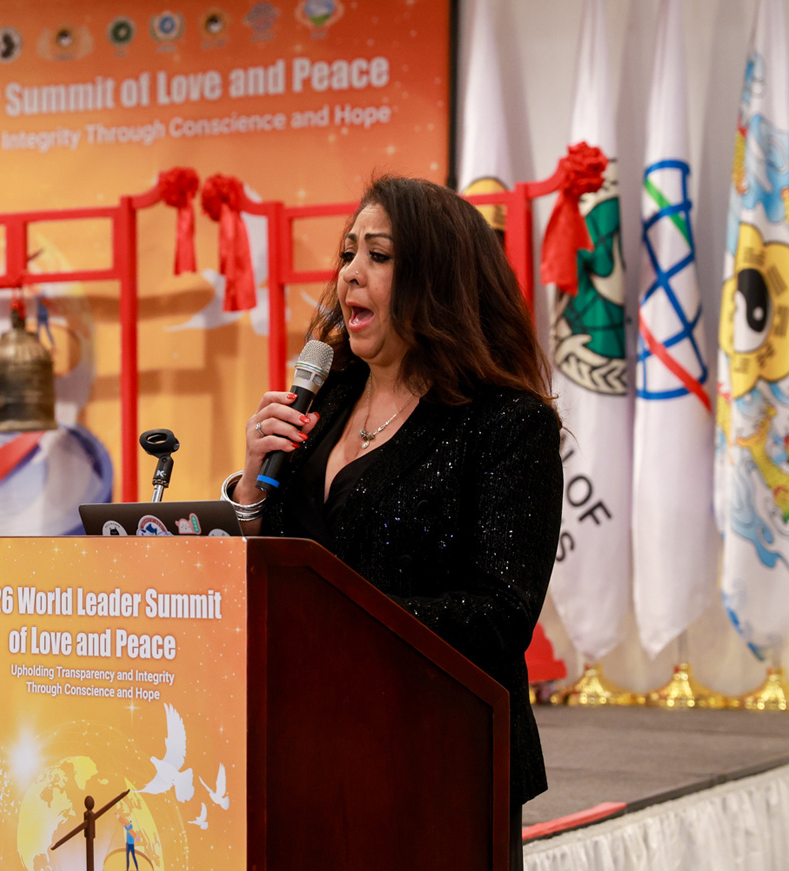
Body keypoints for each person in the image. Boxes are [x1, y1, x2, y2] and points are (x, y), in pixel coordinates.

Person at [222, 175, 563, 864]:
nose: (350, 273)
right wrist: (250, 493)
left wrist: (337, 620)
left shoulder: (506, 424)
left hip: (438, 759)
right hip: (304, 747)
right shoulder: (321, 402)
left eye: (378, 256)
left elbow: (500, 616)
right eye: (348, 253)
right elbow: (281, 566)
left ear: (439, 280)